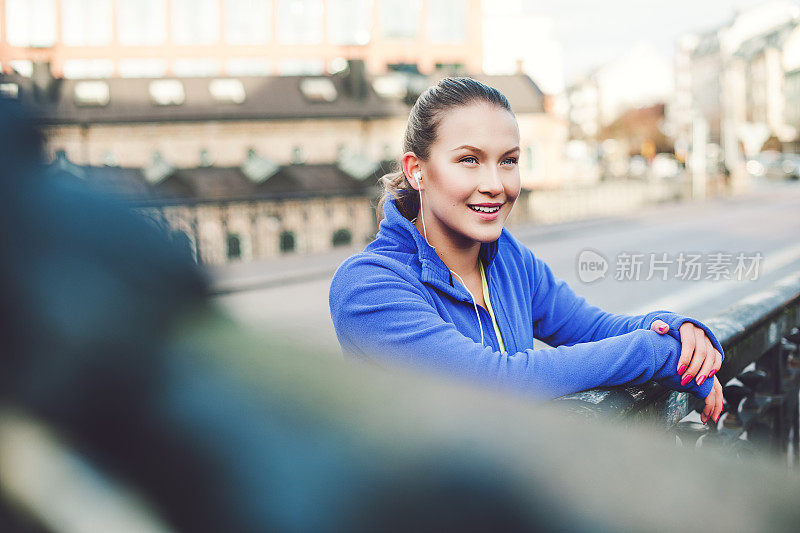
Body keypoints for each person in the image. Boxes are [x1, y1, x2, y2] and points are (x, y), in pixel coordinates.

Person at [329, 77, 724, 424]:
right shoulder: (368, 284)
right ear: (416, 170)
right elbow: (496, 381)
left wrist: (679, 333)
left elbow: (592, 329)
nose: (494, 184)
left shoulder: (508, 258)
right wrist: (656, 352)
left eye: (508, 161)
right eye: (469, 160)